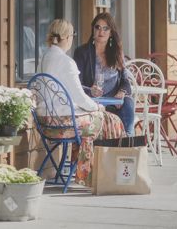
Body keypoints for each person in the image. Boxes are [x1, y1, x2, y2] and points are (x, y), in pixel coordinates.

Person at [38, 19, 125, 186]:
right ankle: (99, 174)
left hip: (44, 122)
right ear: (66, 37)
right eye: (72, 34)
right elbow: (79, 96)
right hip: (62, 123)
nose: (73, 38)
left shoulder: (45, 57)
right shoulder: (66, 62)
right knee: (109, 119)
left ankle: (85, 170)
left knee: (95, 121)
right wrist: (97, 107)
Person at [73, 12, 135, 136]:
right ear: (93, 29)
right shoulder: (82, 52)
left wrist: (122, 92)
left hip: (114, 101)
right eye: (97, 27)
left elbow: (125, 80)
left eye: (105, 28)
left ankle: (128, 139)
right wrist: (90, 90)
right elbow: (76, 84)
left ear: (111, 32)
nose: (101, 31)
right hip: (93, 101)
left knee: (128, 102)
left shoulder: (117, 52)